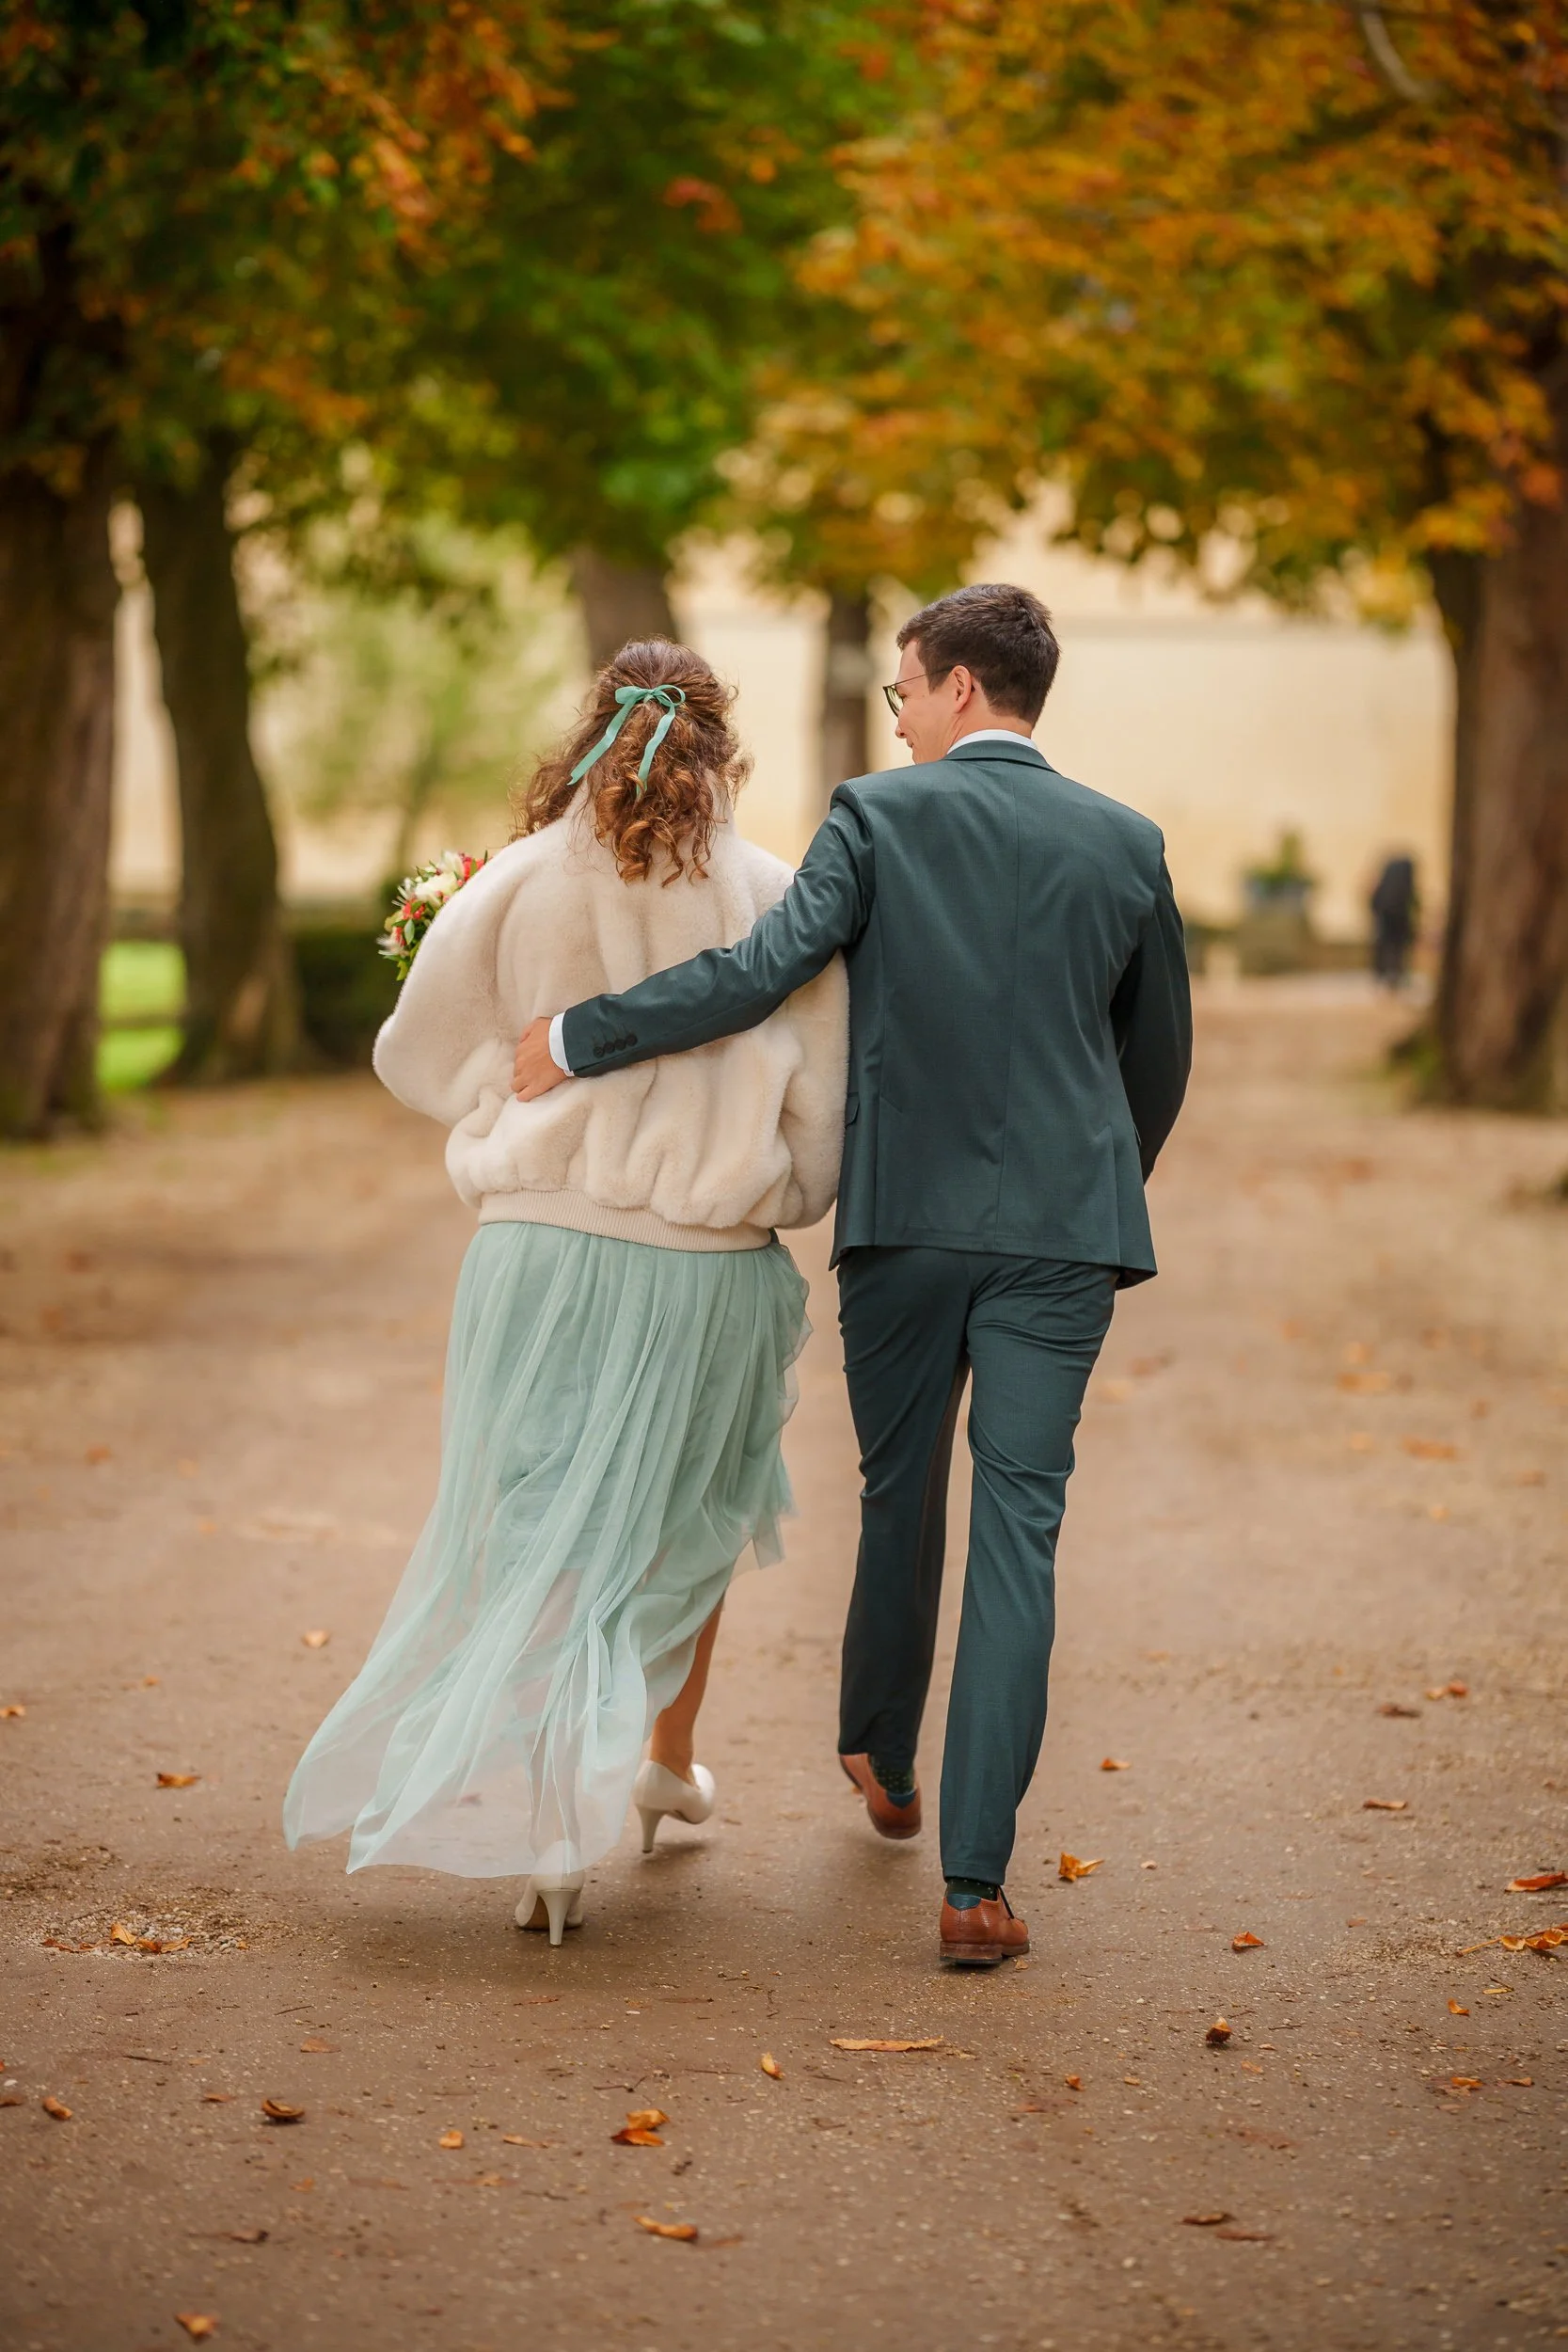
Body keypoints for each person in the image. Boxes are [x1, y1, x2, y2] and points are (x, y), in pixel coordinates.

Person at [513, 582, 1192, 1967]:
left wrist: (581, 1035)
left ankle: (878, 1752)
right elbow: (1156, 1060)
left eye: (900, 691)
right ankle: (974, 1891)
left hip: (904, 1226)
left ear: (954, 689)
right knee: (1020, 1530)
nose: (892, 714)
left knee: (901, 1492)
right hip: (1063, 1233)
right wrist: (1089, 1178)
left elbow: (759, 973)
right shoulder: (1126, 843)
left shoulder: (877, 816)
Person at [283, 641, 847, 1944]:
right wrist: (760, 1182)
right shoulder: (774, 896)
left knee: (541, 1508)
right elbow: (821, 1126)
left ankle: (560, 1828)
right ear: (721, 745)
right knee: (690, 1514)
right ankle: (646, 1766)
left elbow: (412, 1056)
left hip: (536, 1254)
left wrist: (505, 1104)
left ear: (590, 730)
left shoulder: (519, 881)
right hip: (703, 1265)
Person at [1370, 853, 1418, 989]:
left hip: (1390, 927)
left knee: (1391, 949)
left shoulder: (1384, 888)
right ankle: (1393, 975)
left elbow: (1373, 905)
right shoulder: (1402, 888)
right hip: (1396, 926)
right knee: (1396, 949)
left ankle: (1390, 975)